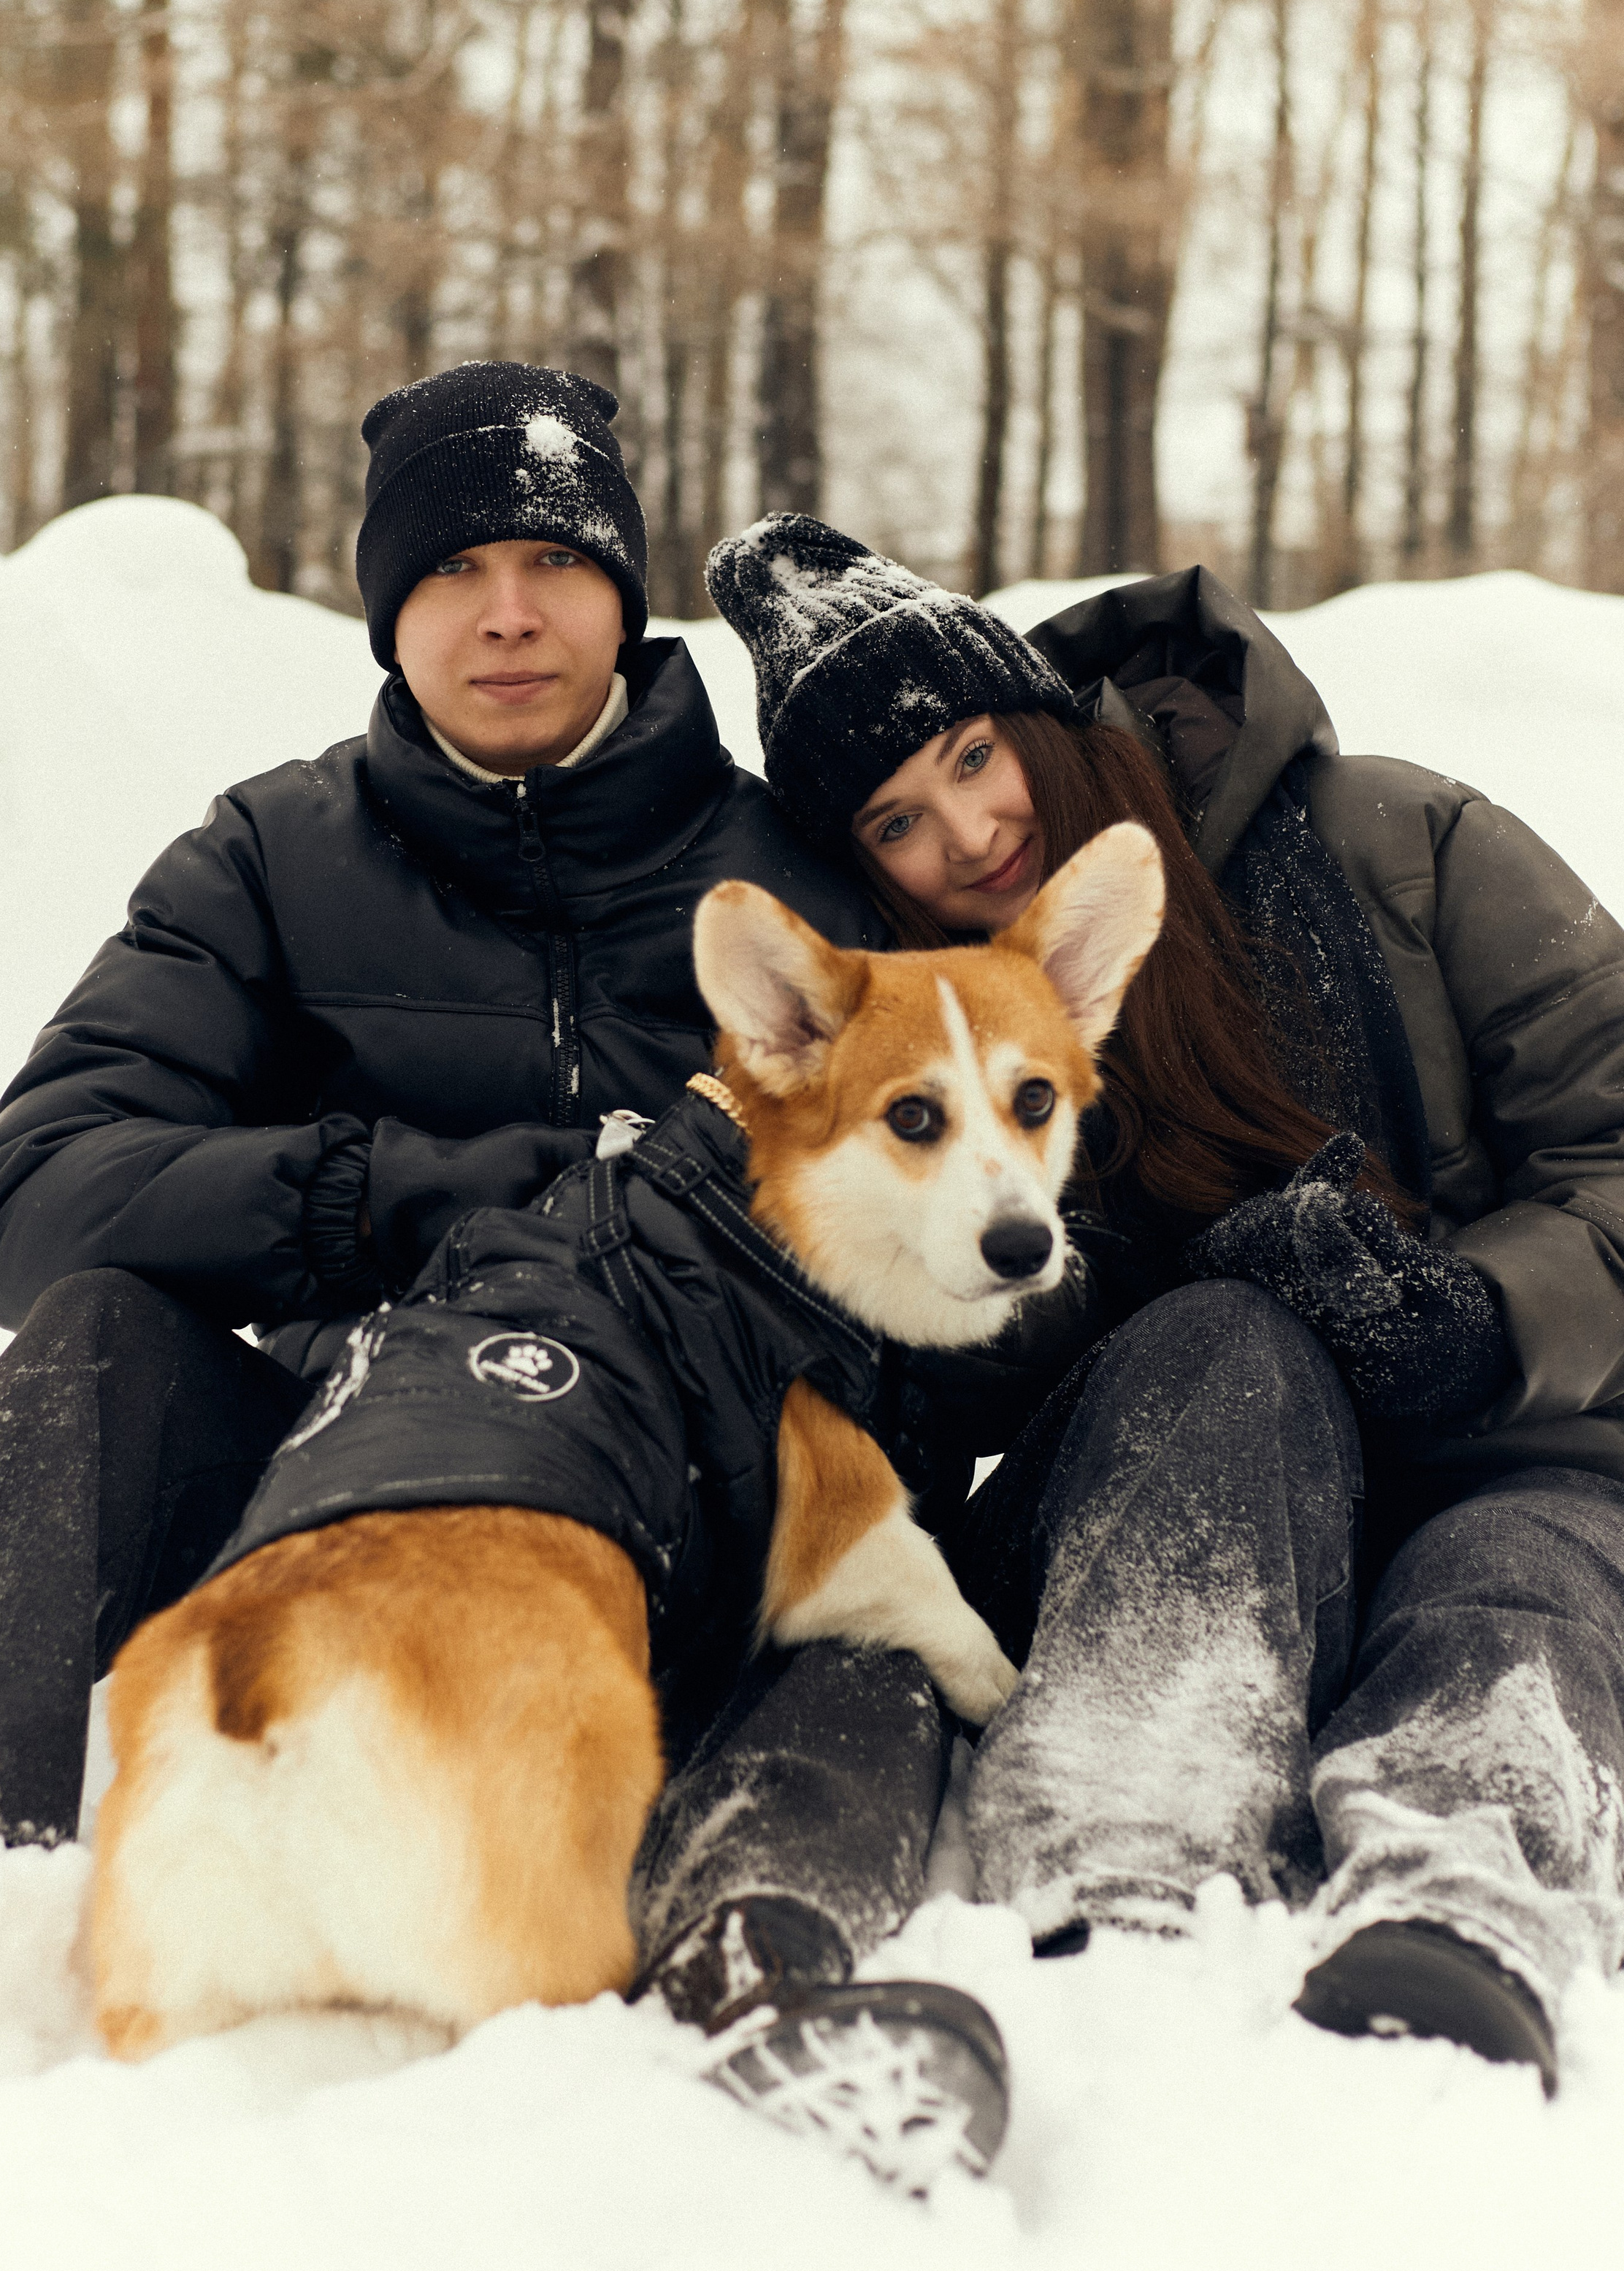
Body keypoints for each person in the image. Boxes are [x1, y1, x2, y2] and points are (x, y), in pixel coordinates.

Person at [0, 364, 917, 2002]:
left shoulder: (791, 876)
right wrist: (423, 1194)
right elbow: (33, 1197)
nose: (505, 614)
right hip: (324, 1458)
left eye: (553, 563)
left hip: (690, 1487)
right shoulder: (273, 859)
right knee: (95, 1331)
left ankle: (761, 1937)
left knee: (867, 1586)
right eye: (450, 570)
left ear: (623, 594)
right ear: (385, 612)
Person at [696, 510, 1624, 2104]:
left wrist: (1470, 1317)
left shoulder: (1402, 845)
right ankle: (1122, 1846)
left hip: (1511, 1438)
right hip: (1198, 1461)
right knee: (1219, 1342)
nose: (970, 835)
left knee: (1511, 1572)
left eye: (976, 755)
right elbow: (938, 1371)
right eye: (898, 821)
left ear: (1040, 719)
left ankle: (1457, 1896)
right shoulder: (944, 1028)